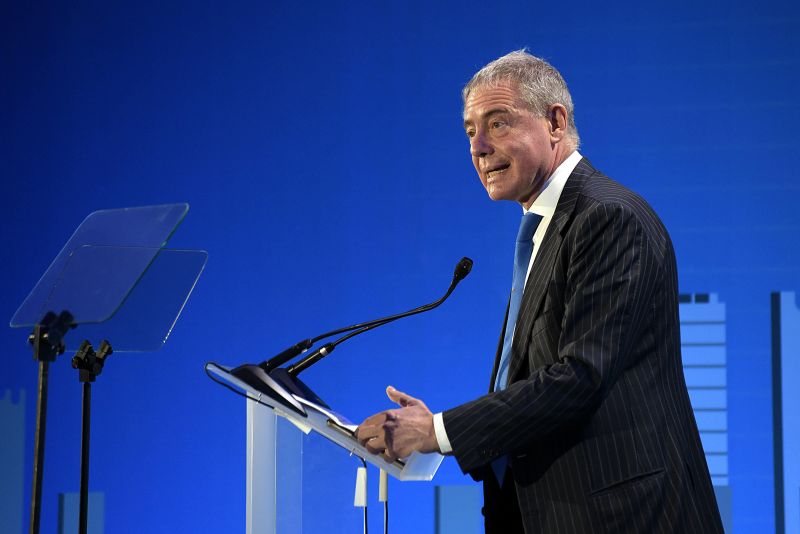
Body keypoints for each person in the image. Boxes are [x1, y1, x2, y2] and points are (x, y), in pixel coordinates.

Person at [356, 50, 724, 533]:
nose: (479, 147)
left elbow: (580, 377)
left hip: (623, 517)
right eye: (470, 131)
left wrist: (438, 431)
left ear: (555, 122)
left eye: (498, 123)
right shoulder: (545, 227)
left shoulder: (608, 217)